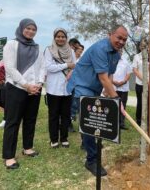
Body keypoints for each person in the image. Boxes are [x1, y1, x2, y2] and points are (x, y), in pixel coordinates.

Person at [67, 24, 128, 176]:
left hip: (93, 88)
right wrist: (116, 100)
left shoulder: (116, 54)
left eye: (124, 40)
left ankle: (86, 144)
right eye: (119, 38)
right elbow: (102, 77)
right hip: (81, 85)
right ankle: (91, 160)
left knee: (91, 121)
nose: (121, 42)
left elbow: (109, 76)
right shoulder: (100, 49)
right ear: (110, 34)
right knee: (89, 121)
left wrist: (108, 93)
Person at [2, 18, 45, 169]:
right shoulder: (12, 44)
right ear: (21, 28)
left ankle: (28, 148)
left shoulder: (37, 47)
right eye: (28, 28)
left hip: (35, 89)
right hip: (17, 88)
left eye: (34, 29)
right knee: (13, 122)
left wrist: (39, 84)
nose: (31, 31)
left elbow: (42, 67)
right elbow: (10, 68)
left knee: (30, 119)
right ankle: (9, 156)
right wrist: (26, 85)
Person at [44, 28, 76, 148]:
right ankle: (54, 139)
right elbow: (49, 67)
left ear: (66, 38)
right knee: (53, 115)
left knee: (66, 115)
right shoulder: (49, 50)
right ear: (54, 37)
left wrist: (71, 71)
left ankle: (64, 138)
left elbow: (75, 66)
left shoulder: (71, 51)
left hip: (67, 88)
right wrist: (66, 65)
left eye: (63, 36)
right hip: (53, 88)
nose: (61, 39)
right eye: (58, 36)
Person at [112, 50, 132, 130]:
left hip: (123, 88)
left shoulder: (126, 62)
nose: (119, 52)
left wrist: (123, 82)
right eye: (117, 50)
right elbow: (108, 73)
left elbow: (128, 73)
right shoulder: (111, 60)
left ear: (122, 52)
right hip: (113, 87)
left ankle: (121, 123)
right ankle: (113, 123)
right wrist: (113, 82)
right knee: (113, 105)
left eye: (120, 51)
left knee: (123, 105)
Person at [132, 43, 147, 125]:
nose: (143, 47)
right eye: (142, 46)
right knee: (140, 102)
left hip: (149, 84)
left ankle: (147, 118)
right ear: (139, 47)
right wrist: (144, 80)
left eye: (145, 45)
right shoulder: (136, 56)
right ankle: (139, 120)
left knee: (149, 103)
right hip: (140, 84)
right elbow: (135, 70)